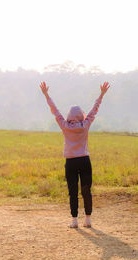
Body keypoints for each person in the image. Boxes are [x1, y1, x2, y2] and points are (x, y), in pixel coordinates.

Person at [39, 81, 110, 228]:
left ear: (70, 115)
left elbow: (55, 110)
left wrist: (46, 94)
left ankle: (74, 220)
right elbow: (94, 110)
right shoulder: (85, 125)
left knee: (73, 191)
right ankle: (88, 219)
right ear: (81, 115)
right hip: (84, 160)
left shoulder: (65, 126)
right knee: (86, 190)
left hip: (70, 162)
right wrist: (101, 94)